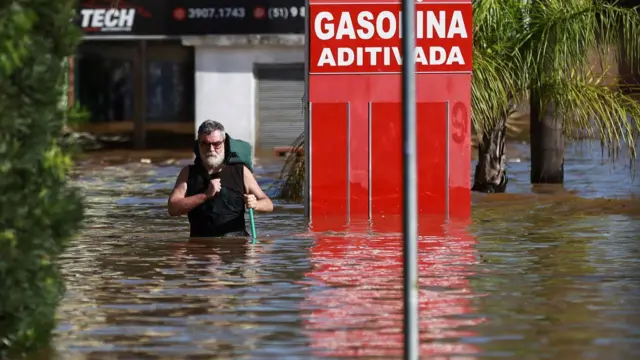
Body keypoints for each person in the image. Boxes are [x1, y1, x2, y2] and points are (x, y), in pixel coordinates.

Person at [168, 120, 274, 237]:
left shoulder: (240, 171)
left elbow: (268, 204)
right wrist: (205, 195)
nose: (211, 149)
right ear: (199, 145)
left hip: (236, 245)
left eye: (216, 144)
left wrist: (256, 204)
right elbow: (173, 208)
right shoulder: (188, 173)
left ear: (224, 143)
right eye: (205, 144)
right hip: (200, 247)